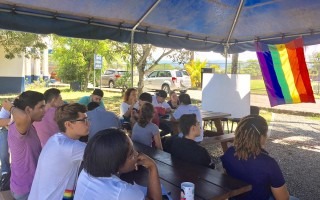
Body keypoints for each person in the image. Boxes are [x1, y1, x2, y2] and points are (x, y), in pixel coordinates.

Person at [220, 115, 299, 200]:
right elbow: (283, 198)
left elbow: (226, 176)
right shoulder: (268, 163)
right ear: (261, 136)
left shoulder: (229, 153)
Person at [74, 128, 161, 200]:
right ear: (115, 162)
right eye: (131, 154)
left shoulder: (86, 172)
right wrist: (152, 167)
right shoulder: (122, 191)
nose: (136, 154)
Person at [29, 103, 89, 200]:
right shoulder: (71, 147)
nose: (88, 123)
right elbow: (109, 156)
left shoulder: (55, 139)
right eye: (83, 120)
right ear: (68, 124)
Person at [2, 91, 45, 200]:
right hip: (26, 188)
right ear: (28, 110)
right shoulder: (19, 128)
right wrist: (10, 107)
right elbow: (23, 118)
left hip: (26, 185)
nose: (44, 110)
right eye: (41, 107)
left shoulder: (28, 126)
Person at [0, 107, 11, 188]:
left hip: (18, 129)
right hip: (5, 129)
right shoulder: (8, 107)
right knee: (4, 154)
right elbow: (0, 121)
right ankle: (5, 173)